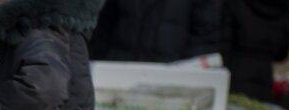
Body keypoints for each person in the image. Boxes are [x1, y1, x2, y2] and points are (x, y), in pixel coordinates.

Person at [89, 0, 220, 63]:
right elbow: (103, 26)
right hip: (119, 71)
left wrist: (185, 71)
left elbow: (204, 35)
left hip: (171, 76)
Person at [221, 0, 289, 102]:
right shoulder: (284, 9)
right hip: (264, 77)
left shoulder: (234, 4)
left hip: (234, 73)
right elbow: (282, 54)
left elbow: (224, 43)